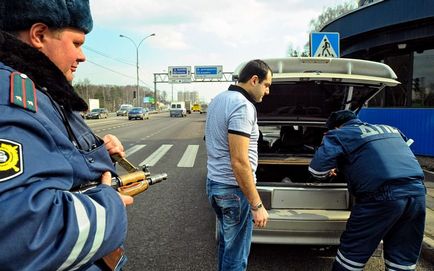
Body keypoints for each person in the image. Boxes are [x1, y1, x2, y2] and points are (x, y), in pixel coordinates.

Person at [0, 1, 133, 270]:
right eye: (76, 43)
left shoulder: (42, 91)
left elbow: (56, 159)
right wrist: (110, 202)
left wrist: (100, 154)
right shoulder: (12, 96)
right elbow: (28, 235)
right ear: (39, 35)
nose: (83, 56)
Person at [308, 110, 426, 271]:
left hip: (381, 196)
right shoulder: (391, 129)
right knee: (403, 256)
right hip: (417, 193)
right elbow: (392, 156)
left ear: (336, 127)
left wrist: (335, 165)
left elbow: (317, 171)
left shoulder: (339, 134)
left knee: (352, 253)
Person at [205, 59, 272, 271]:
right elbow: (240, 161)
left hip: (215, 184)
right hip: (233, 190)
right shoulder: (243, 106)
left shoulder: (218, 99)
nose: (268, 91)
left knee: (227, 245)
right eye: (267, 85)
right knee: (236, 257)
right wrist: (257, 205)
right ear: (254, 80)